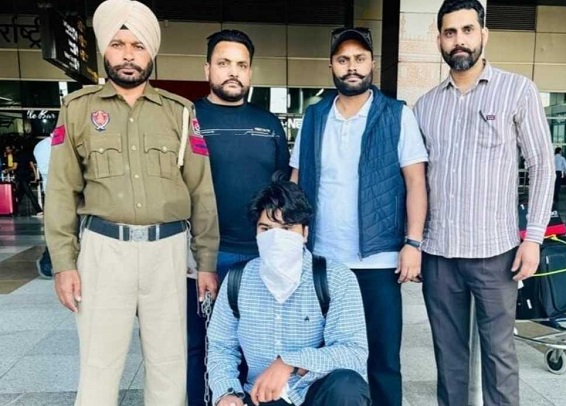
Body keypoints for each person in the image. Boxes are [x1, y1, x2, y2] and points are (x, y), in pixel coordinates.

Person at [44, 0, 219, 404]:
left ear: (150, 53)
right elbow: (62, 190)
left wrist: (206, 262)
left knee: (169, 366)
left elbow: (201, 191)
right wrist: (64, 264)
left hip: (168, 252)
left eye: (138, 45)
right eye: (118, 44)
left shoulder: (179, 112)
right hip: (104, 251)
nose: (128, 55)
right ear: (105, 50)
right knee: (99, 366)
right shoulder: (78, 109)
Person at [413, 1, 555, 405]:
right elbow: (416, 181)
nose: (459, 40)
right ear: (439, 40)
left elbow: (542, 165)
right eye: (450, 32)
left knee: (499, 357)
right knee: (449, 359)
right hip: (439, 254)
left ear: (483, 34)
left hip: (495, 253)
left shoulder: (517, 90)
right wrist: (414, 243)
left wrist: (533, 238)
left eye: (467, 30)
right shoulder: (426, 105)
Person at [290, 27, 428, 406]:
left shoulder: (396, 115)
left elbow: (416, 181)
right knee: (323, 360)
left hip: (378, 261)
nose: (352, 66)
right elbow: (296, 181)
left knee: (383, 361)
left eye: (359, 58)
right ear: (331, 65)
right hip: (322, 261)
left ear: (372, 63)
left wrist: (413, 243)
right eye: (343, 59)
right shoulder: (314, 116)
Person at [186, 29, 291, 405]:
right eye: (224, 63)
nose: (233, 71)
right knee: (199, 347)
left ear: (250, 71)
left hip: (261, 258)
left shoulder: (269, 124)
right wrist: (197, 260)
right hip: (206, 257)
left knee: (256, 347)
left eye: (241, 65)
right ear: (207, 69)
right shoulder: (188, 118)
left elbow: (283, 191)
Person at [207, 176, 370, 406]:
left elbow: (353, 352)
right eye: (266, 229)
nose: (276, 238)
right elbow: (221, 345)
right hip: (262, 396)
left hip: (314, 393)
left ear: (304, 233)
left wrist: (290, 362)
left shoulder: (335, 278)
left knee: (348, 386)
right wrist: (226, 393)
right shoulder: (239, 279)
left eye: (286, 228)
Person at [34, 136, 53, 278]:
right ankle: (46, 262)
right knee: (61, 230)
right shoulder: (44, 146)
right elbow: (48, 170)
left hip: (76, 193)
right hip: (56, 194)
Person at [11, 146, 43, 216]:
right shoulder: (27, 154)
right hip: (27, 176)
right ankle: (14, 210)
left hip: (20, 177)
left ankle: (39, 210)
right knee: (19, 194)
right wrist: (36, 176)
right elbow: (32, 166)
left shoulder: (16, 155)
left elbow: (15, 167)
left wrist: (7, 170)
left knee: (29, 194)